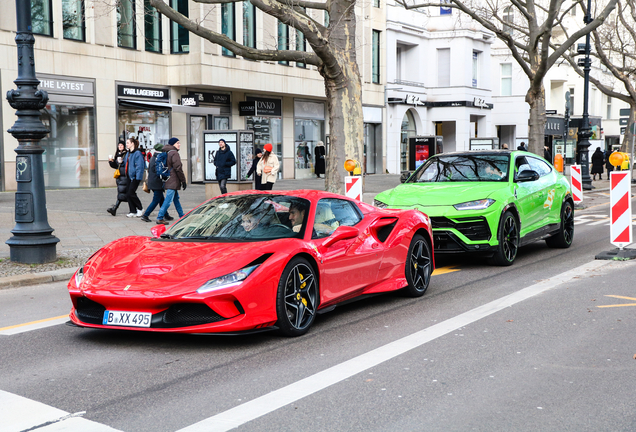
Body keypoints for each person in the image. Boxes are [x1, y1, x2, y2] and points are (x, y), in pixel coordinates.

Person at [156, 138, 187, 225]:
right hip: (173, 180)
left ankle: (181, 215)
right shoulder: (174, 153)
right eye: (177, 143)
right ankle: (160, 217)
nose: (179, 144)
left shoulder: (168, 152)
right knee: (168, 200)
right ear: (173, 144)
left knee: (176, 199)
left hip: (169, 179)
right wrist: (183, 181)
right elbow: (178, 168)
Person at [140, 144, 173, 223]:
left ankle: (166, 215)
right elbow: (160, 171)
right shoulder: (159, 158)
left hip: (153, 182)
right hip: (157, 182)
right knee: (156, 200)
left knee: (161, 199)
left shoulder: (153, 157)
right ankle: (146, 215)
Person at [123, 137, 145, 218]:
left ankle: (140, 208)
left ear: (132, 143)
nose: (127, 144)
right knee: (128, 194)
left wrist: (138, 177)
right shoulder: (128, 153)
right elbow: (125, 163)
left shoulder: (137, 153)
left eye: (128, 143)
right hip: (129, 176)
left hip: (135, 177)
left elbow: (140, 166)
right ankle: (132, 210)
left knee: (131, 192)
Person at [107, 140, 129, 216]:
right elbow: (116, 166)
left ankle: (115, 208)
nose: (120, 147)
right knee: (124, 193)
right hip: (119, 177)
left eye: (122, 146)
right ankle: (134, 209)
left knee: (124, 193)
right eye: (119, 146)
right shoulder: (118, 154)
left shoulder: (126, 154)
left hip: (124, 176)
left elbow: (125, 164)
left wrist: (122, 163)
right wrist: (111, 162)